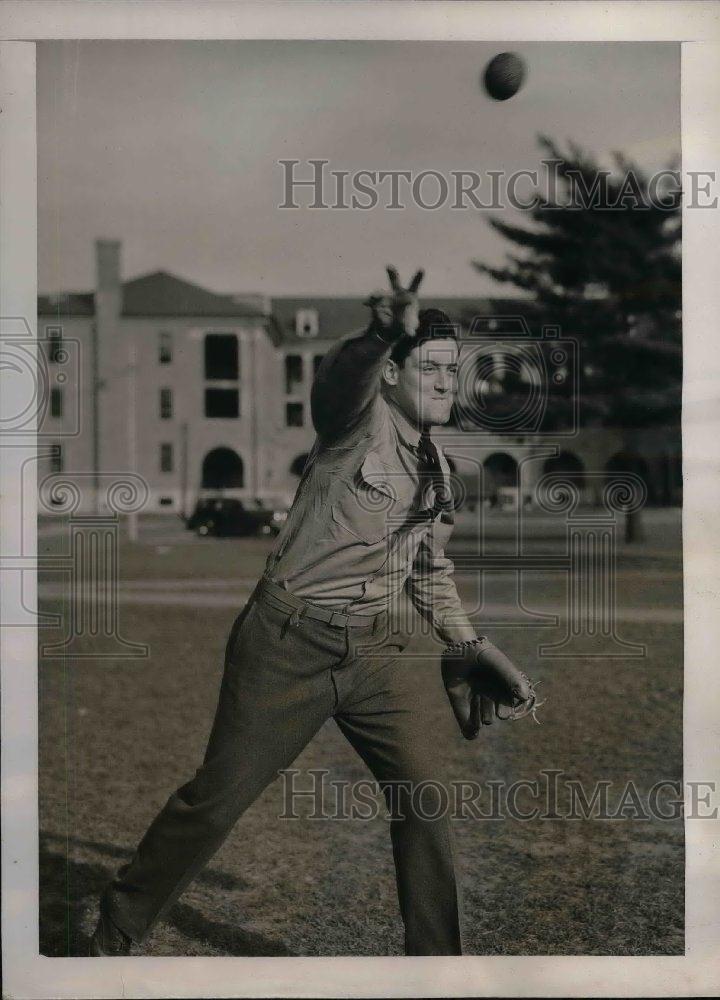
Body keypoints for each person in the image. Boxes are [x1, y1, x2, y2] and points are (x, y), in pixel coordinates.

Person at [90, 266, 486, 958]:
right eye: (431, 367)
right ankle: (118, 927)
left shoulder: (441, 472)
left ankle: (437, 967)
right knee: (216, 800)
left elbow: (428, 571)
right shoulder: (352, 426)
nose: (448, 384)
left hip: (376, 654)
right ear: (392, 375)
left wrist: (467, 641)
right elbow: (339, 379)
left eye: (455, 371)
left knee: (424, 798)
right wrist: (381, 333)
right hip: (287, 643)